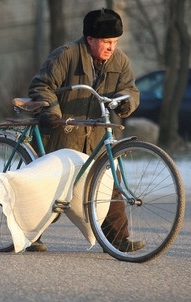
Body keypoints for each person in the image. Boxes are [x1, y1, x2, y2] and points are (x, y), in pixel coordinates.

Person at [26, 8, 146, 252]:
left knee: (110, 182)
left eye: (114, 42)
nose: (111, 47)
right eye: (106, 42)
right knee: (53, 189)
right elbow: (41, 85)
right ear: (90, 39)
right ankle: (31, 233)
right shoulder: (65, 55)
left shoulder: (120, 61)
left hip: (97, 134)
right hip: (62, 133)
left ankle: (118, 239)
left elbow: (131, 90)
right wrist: (52, 111)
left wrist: (126, 102)